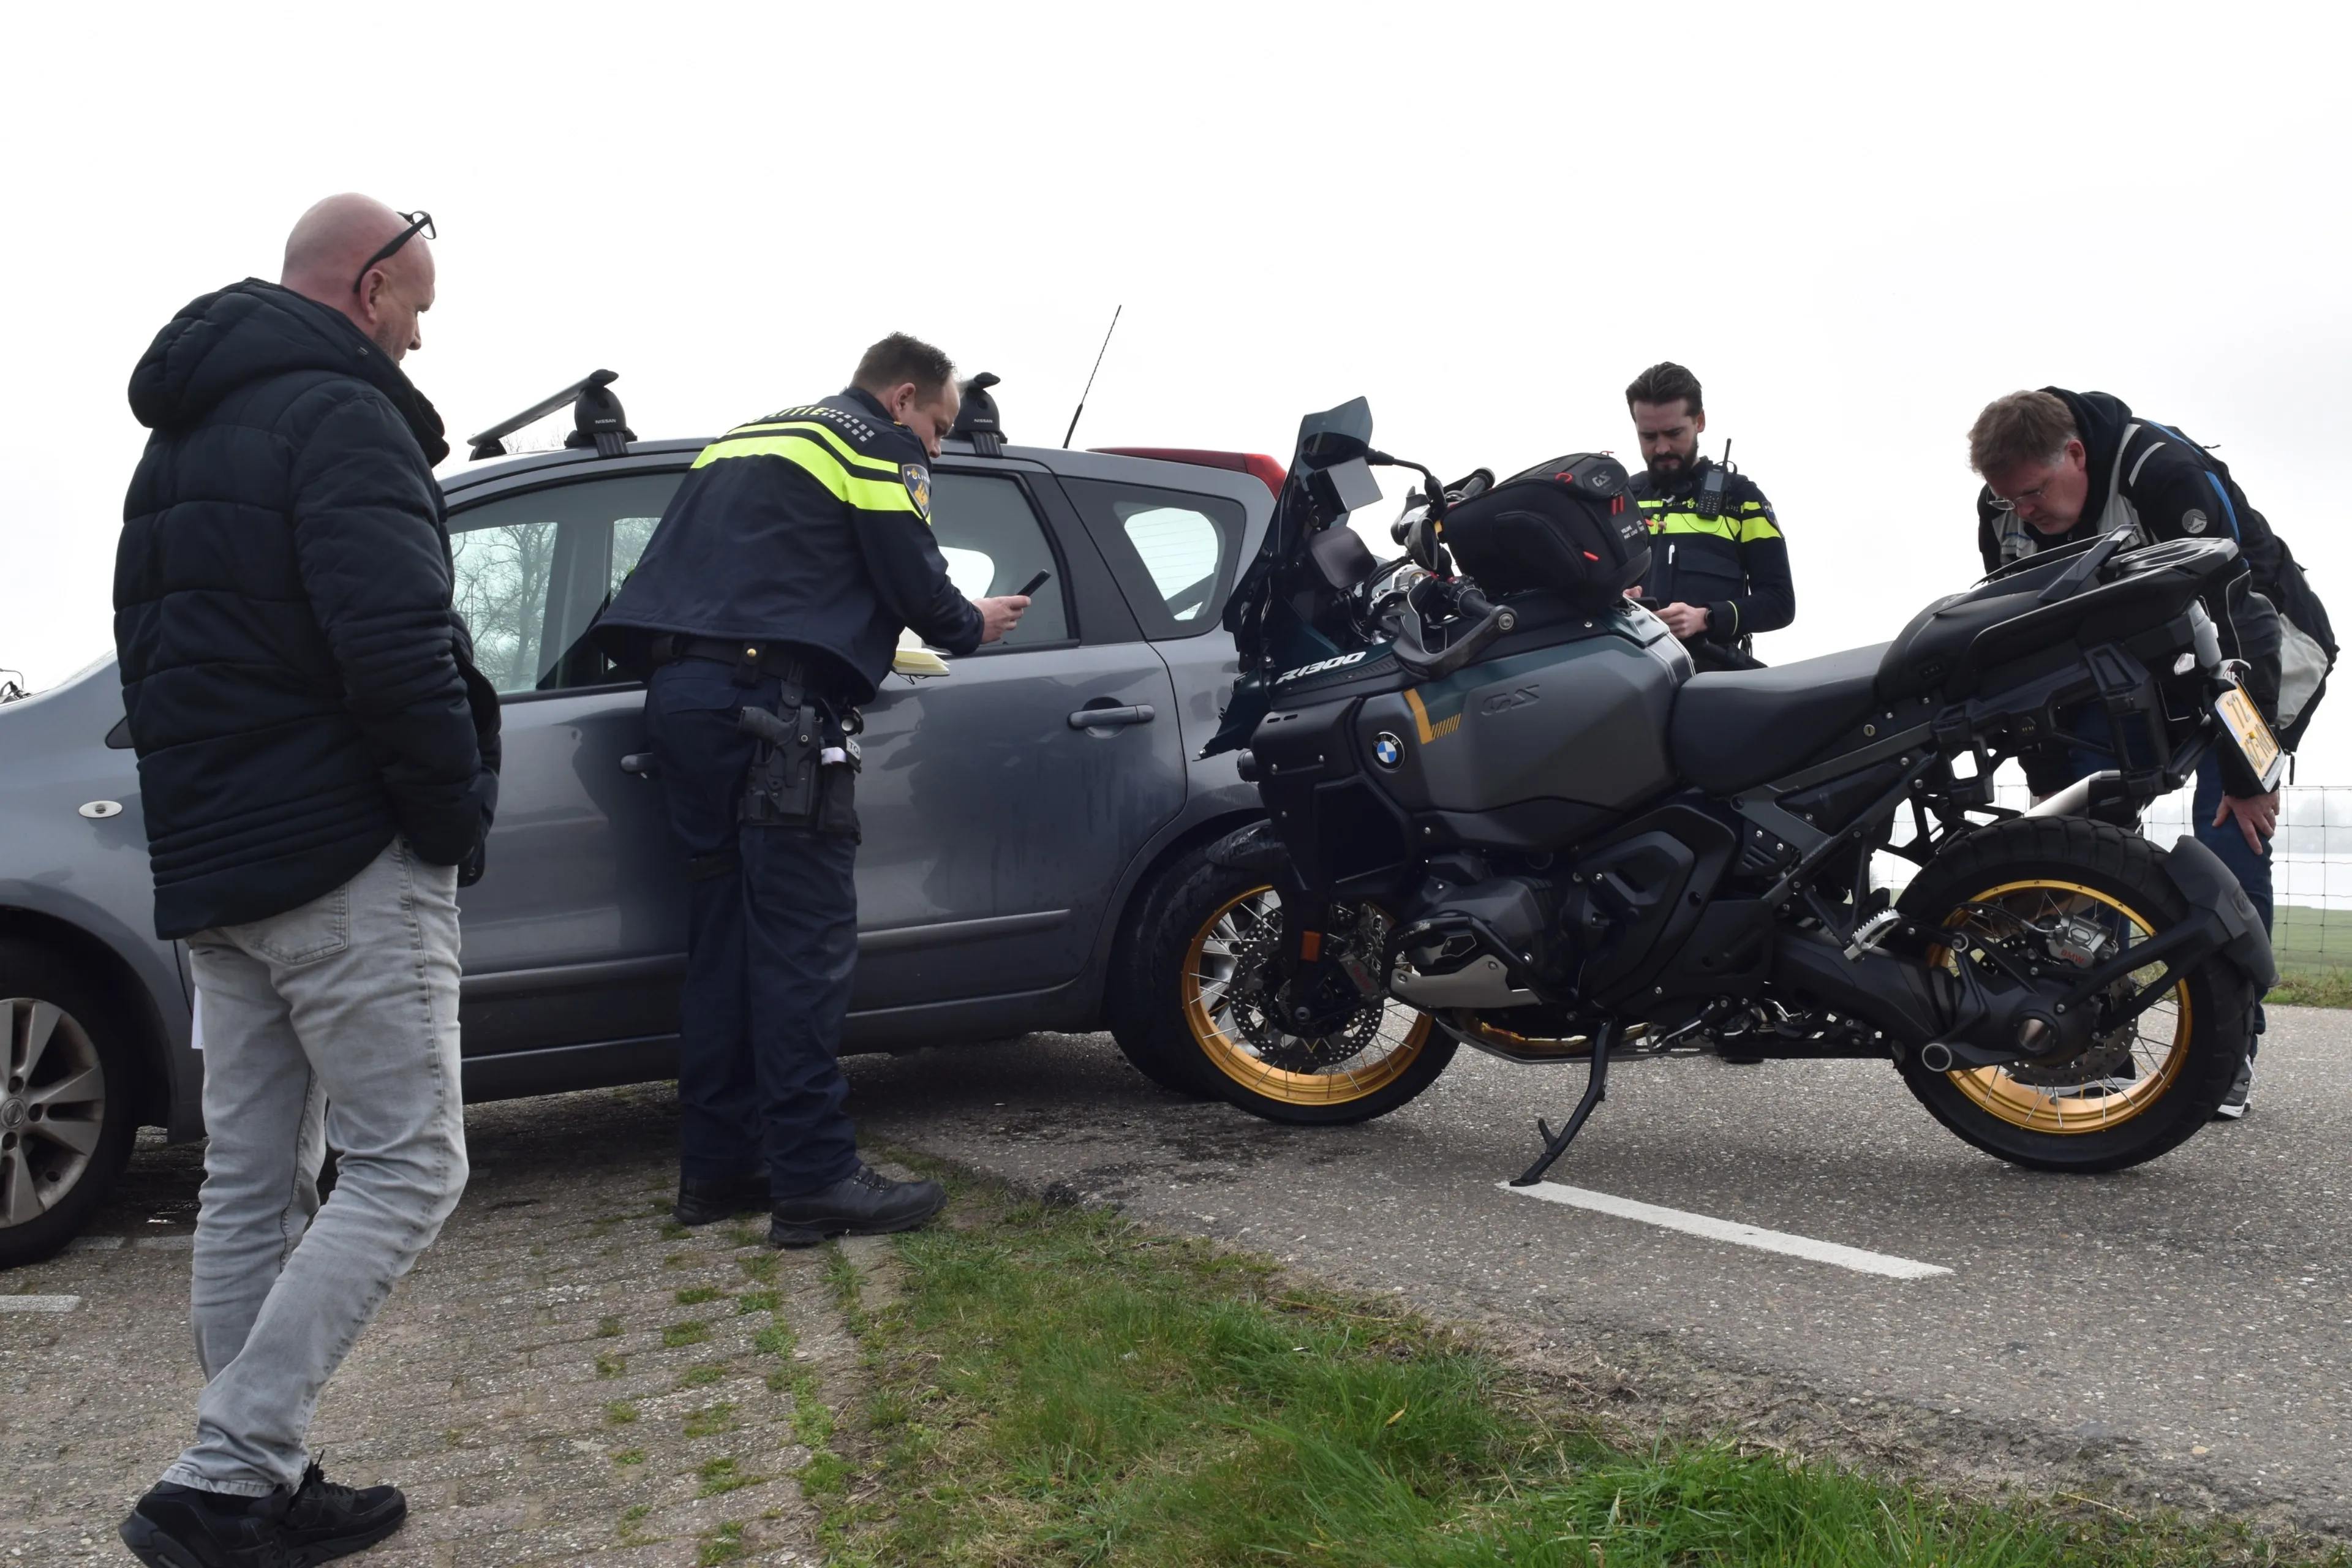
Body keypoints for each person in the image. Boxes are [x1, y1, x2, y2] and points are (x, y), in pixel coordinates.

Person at [113, 195, 500, 1566]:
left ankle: (260, 1474)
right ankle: (221, 1475)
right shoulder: (341, 413)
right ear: (372, 283)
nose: (414, 339)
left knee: (259, 1179)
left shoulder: (184, 435)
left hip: (219, 858)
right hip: (341, 849)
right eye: (416, 309)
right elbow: (394, 638)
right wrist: (449, 818)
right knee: (411, 1162)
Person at [594, 334, 1028, 1246]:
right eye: (941, 428)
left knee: (725, 942)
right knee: (802, 949)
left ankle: (720, 1168)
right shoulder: (871, 443)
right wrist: (971, 622)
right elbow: (923, 590)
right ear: (903, 396)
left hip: (684, 702)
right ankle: (817, 1179)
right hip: (774, 714)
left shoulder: (745, 439)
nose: (939, 449)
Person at [1969, 387, 2335, 1118]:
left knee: (2234, 830)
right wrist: (2056, 800)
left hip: (2248, 656)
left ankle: (2230, 1054)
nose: (2024, 512)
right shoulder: (2006, 508)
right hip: (2122, 669)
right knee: (2082, 844)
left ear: (2076, 455)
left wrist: (2246, 772)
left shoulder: (2164, 475)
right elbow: (2023, 636)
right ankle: (2093, 1047)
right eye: (2009, 501)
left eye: (2035, 493)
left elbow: (2238, 628)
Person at [1623, 361, 1794, 669]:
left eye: (1674, 433)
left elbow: (1780, 604)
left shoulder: (1742, 500)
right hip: (1626, 676)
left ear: (1699, 421)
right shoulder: (1620, 500)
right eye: (1649, 437)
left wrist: (1707, 618)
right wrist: (1615, 600)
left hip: (1712, 682)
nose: (1662, 448)